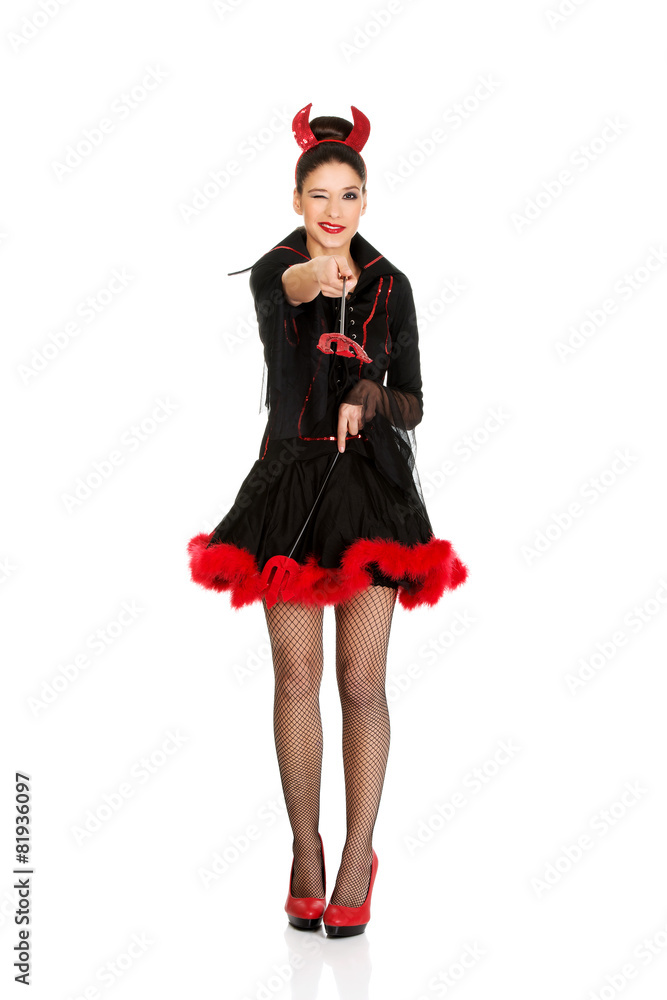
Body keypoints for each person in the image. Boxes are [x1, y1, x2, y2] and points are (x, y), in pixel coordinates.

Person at [187, 103, 469, 936]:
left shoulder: (393, 284)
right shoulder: (278, 270)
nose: (334, 210)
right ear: (297, 199)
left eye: (349, 195)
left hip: (371, 494)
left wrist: (372, 394)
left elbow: (414, 400)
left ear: (365, 199)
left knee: (360, 680)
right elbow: (293, 288)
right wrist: (319, 276)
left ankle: (357, 855)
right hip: (289, 486)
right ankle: (304, 850)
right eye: (319, 195)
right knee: (294, 674)